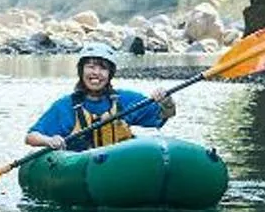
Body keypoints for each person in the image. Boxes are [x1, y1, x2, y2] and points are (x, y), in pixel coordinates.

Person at [24, 42, 174, 153]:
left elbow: (164, 115)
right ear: (81, 71)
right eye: (90, 66)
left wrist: (166, 100)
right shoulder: (66, 106)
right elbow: (31, 137)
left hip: (121, 164)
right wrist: (49, 140)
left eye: (103, 68)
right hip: (82, 169)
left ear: (110, 74)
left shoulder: (125, 99)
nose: (96, 73)